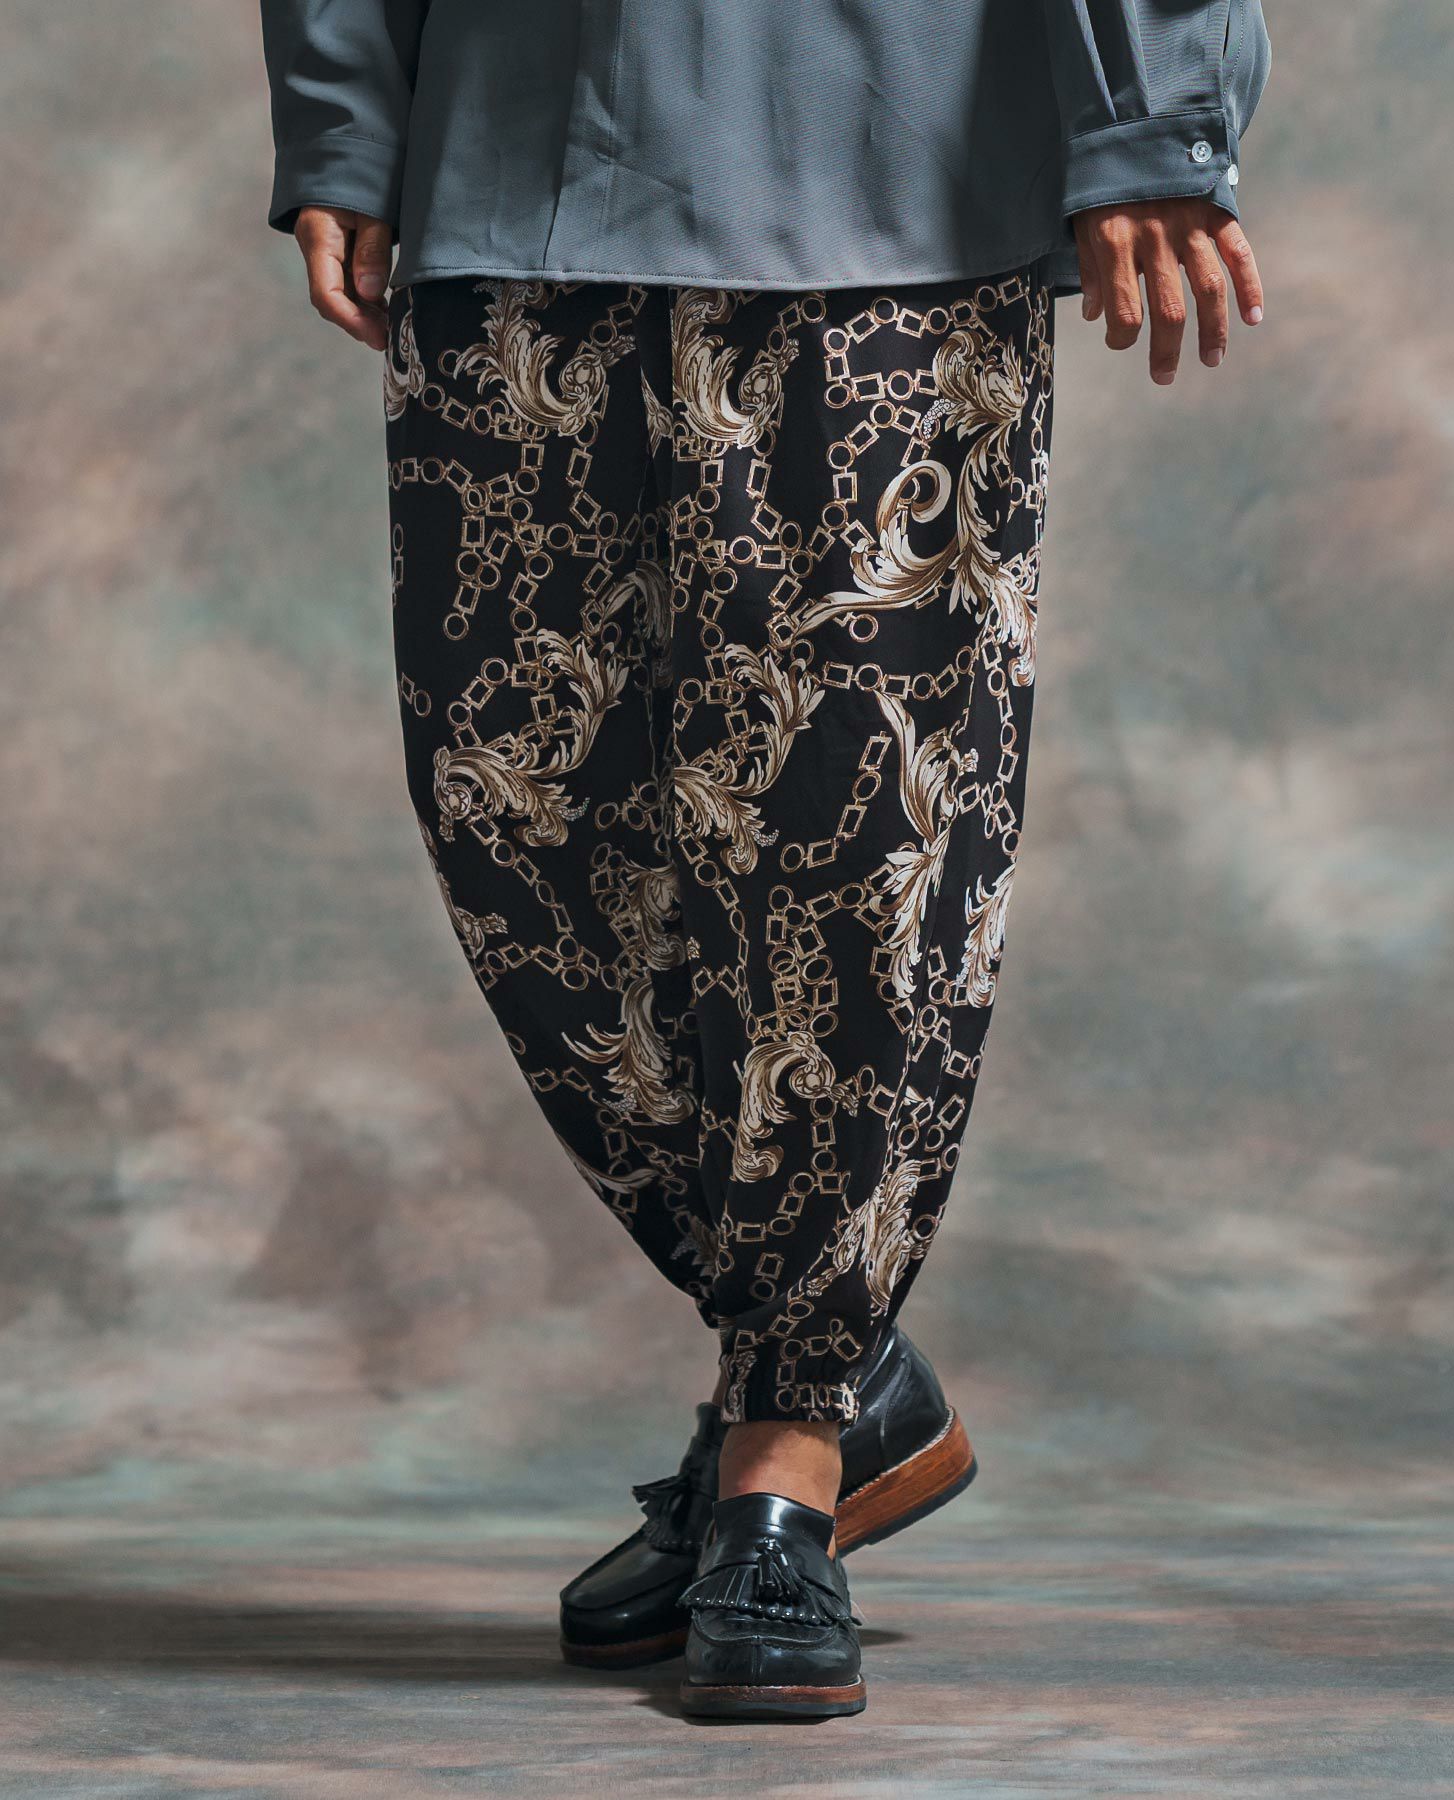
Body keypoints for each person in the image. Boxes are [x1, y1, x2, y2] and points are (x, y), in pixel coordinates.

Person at [259, 0, 1271, 1723]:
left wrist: (1152, 105)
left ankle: (790, 1439)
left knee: (853, 845)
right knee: (520, 811)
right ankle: (829, 1359)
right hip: (514, 149)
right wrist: (348, 109)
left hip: (888, 165)